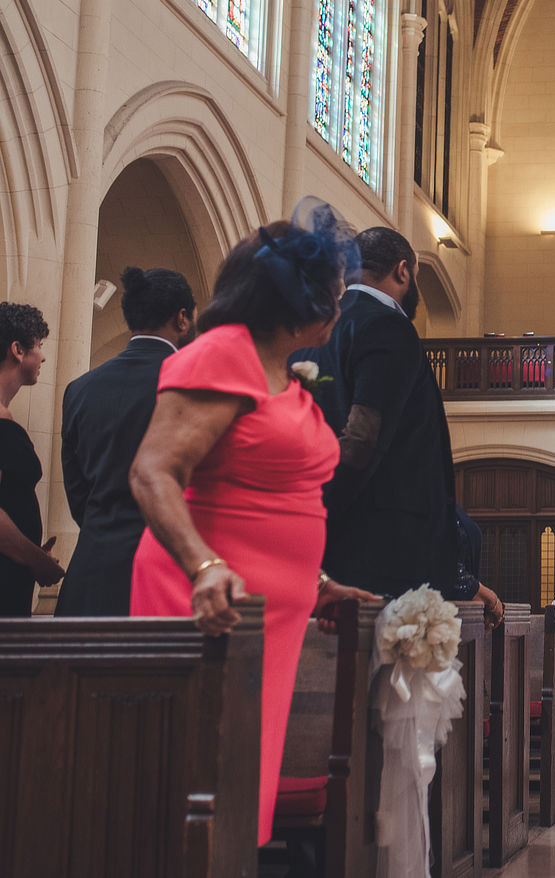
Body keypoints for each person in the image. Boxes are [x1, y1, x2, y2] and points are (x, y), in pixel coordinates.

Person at [128, 200, 379, 845]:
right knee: (191, 784)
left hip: (273, 614)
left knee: (238, 787)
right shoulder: (222, 353)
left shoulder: (286, 376)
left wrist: (318, 580)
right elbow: (153, 473)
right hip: (211, 600)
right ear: (298, 298)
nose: (341, 304)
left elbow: (277, 494)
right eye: (334, 292)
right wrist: (204, 568)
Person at [295, 227, 502, 625]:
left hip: (330, 551)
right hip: (385, 556)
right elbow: (362, 440)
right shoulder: (389, 328)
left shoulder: (314, 336)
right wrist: (322, 515)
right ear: (403, 271)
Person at [57, 267, 196, 616]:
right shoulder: (192, 382)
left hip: (90, 571)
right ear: (182, 318)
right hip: (165, 572)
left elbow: (77, 490)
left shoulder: (80, 389)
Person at [0, 304, 63, 616]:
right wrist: (36, 560)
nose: (42, 356)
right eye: (38, 346)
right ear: (17, 350)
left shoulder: (6, 418)